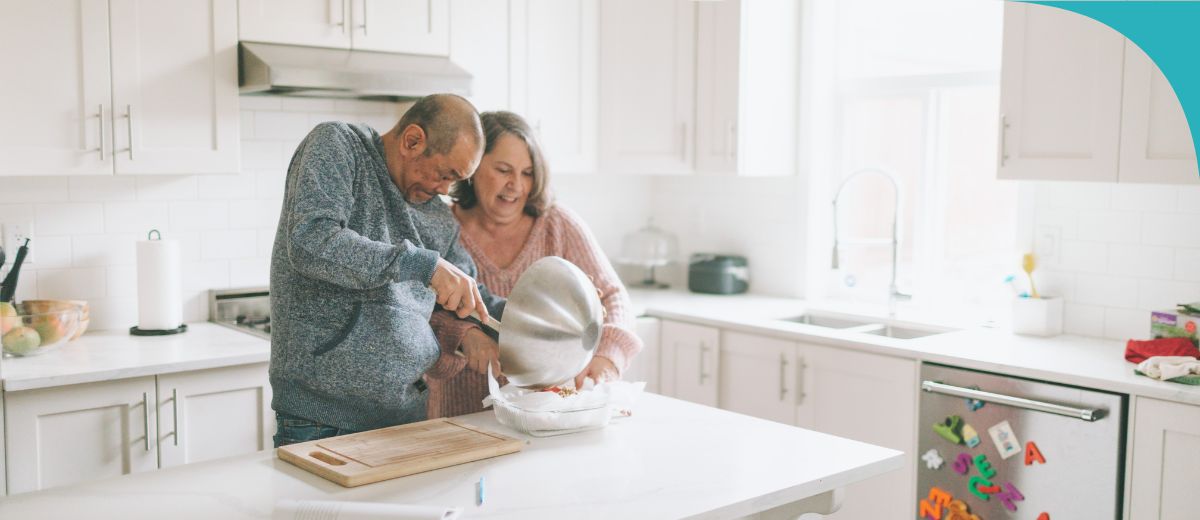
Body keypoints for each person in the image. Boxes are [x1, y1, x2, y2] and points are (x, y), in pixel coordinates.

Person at [269, 94, 505, 447]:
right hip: (322, 421)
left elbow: (473, 295)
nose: (446, 189)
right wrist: (421, 264)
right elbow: (311, 242)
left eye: (456, 181)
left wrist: (534, 319)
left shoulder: (436, 216)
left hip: (408, 418)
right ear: (412, 140)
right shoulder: (338, 146)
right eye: (445, 174)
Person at [426, 111, 643, 419]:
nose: (515, 185)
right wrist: (464, 335)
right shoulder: (440, 226)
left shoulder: (557, 224)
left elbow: (613, 296)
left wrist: (607, 358)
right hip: (457, 416)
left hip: (546, 416)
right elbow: (420, 310)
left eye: (527, 173)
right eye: (503, 170)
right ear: (473, 167)